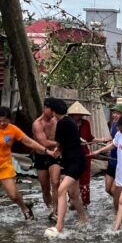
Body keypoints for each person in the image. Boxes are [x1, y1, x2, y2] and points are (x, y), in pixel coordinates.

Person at [51, 99, 90, 233]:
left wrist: (56, 149)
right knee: (73, 194)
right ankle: (83, 217)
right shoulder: (70, 122)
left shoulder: (62, 123)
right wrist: (59, 150)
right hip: (72, 160)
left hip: (75, 161)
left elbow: (58, 142)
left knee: (61, 190)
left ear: (54, 112)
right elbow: (66, 142)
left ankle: (59, 225)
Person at [32, 97, 63, 221]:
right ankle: (50, 208)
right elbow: (43, 142)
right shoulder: (37, 123)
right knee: (45, 187)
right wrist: (59, 143)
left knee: (55, 182)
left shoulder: (56, 120)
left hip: (54, 155)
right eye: (51, 110)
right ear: (45, 108)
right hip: (41, 155)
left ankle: (56, 211)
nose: (53, 113)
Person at [68, 101, 96, 207]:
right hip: (71, 154)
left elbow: (89, 138)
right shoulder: (67, 124)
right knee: (72, 179)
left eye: (80, 114)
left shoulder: (86, 124)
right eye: (77, 114)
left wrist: (101, 140)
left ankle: (84, 203)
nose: (79, 116)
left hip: (84, 154)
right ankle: (72, 200)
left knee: (85, 179)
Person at [104, 103, 122, 212]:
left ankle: (121, 211)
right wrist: (109, 143)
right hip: (112, 160)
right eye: (114, 112)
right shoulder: (114, 124)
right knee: (108, 189)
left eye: (117, 113)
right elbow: (114, 140)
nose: (114, 115)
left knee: (115, 190)